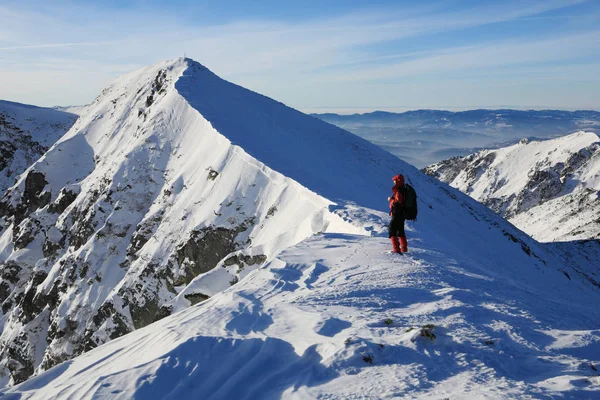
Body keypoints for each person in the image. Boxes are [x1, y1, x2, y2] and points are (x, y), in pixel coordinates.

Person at [388, 174, 408, 254]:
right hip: (402, 214)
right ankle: (404, 248)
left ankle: (396, 249)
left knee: (392, 230)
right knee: (400, 230)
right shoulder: (404, 189)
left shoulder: (399, 191)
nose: (393, 182)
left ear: (397, 181)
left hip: (397, 213)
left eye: (394, 180)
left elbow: (398, 203)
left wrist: (391, 200)